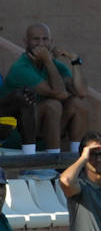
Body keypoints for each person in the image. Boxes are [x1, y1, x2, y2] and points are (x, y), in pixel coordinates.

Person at [0, 24, 89, 154]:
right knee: (52, 105)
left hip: (45, 132)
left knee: (78, 103)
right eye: (36, 39)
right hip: (17, 134)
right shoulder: (21, 67)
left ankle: (78, 158)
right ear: (26, 42)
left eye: (45, 39)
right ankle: (53, 160)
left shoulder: (55, 65)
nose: (41, 44)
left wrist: (74, 61)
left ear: (51, 42)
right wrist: (48, 61)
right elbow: (60, 93)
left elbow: (81, 92)